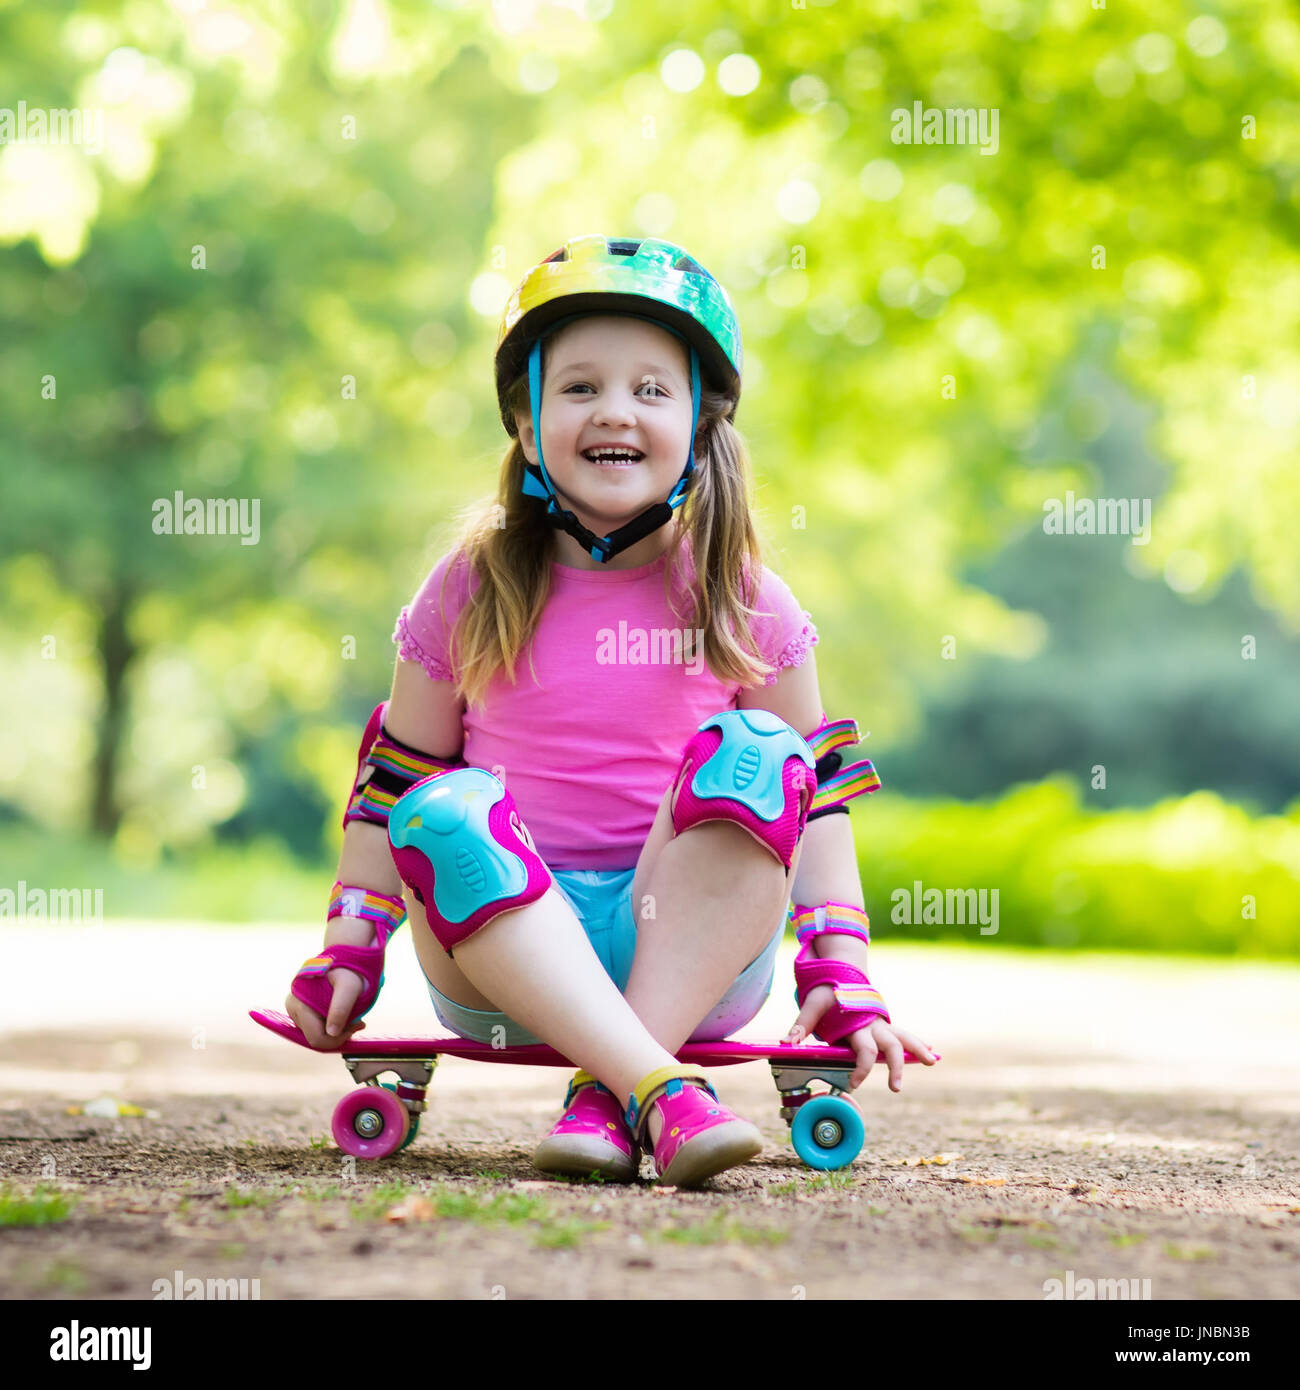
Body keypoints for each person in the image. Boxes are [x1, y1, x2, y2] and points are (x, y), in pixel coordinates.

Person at [285, 235, 935, 1187]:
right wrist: (351, 944)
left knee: (761, 751)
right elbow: (393, 786)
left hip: (695, 948)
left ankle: (616, 1087)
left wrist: (841, 973)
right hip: (497, 956)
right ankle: (652, 1089)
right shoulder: (469, 588)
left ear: (701, 421)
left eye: (650, 390)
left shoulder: (747, 598)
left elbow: (818, 803)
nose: (614, 411)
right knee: (442, 804)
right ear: (526, 416)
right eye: (579, 387)